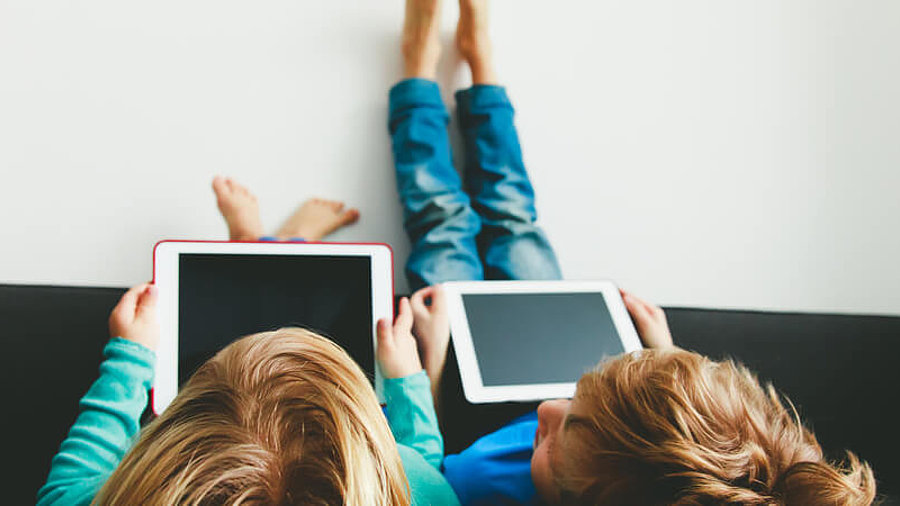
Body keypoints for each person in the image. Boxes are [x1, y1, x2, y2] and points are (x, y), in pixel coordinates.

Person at [390, 0, 877, 504]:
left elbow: (424, 474)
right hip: (592, 395)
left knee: (442, 223)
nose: (546, 408)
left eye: (555, 445)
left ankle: (417, 75)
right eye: (578, 393)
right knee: (515, 220)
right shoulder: (640, 461)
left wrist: (432, 366)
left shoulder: (473, 488)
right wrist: (664, 360)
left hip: (459, 398)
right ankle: (483, 67)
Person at [37, 280, 460, 504]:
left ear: (161, 441)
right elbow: (424, 461)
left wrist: (129, 359)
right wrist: (408, 378)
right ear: (371, 441)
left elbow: (66, 485)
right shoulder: (406, 483)